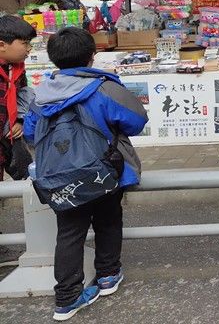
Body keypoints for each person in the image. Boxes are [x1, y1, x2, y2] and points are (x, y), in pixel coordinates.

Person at [23, 28, 148, 321]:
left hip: (59, 177)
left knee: (69, 232)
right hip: (103, 171)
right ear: (92, 55)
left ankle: (66, 298)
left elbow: (30, 133)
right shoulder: (104, 88)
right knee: (108, 220)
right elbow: (136, 121)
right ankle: (107, 276)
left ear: (54, 59)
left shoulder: (40, 95)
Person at [0, 15, 36, 180]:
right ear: (2, 45)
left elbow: (22, 95)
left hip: (6, 141)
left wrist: (20, 120)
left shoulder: (16, 68)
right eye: (24, 43)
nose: (29, 49)